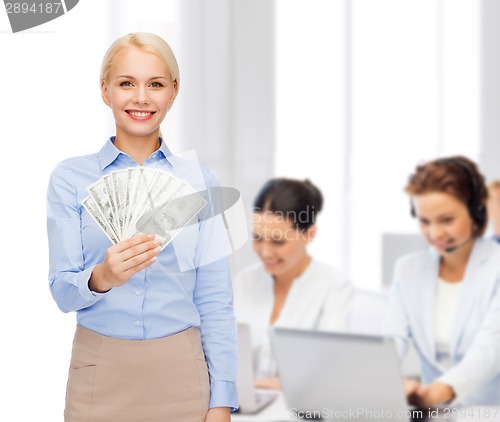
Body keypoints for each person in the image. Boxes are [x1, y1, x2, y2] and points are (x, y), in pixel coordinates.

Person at [47, 32, 237, 421]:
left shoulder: (203, 180)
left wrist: (221, 400)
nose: (141, 98)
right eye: (126, 83)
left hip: (183, 375)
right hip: (100, 372)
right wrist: (101, 276)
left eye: (155, 84)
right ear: (105, 91)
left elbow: (216, 300)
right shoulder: (69, 178)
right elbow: (62, 293)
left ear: (173, 91)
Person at [384, 156, 500, 408]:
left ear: (476, 212)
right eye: (424, 221)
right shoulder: (407, 269)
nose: (435, 233)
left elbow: (489, 351)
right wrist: (385, 380)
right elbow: (392, 339)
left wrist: (435, 393)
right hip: (431, 413)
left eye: (447, 220)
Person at [233, 178, 354, 390]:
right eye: (258, 238)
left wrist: (258, 386)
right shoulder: (243, 281)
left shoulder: (334, 287)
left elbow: (332, 373)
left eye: (278, 241)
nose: (266, 252)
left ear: (309, 235)